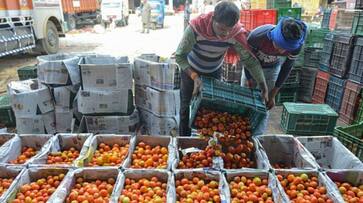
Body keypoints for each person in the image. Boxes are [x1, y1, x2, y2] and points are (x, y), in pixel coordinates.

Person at [175, 1, 269, 137]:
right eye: (221, 28)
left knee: (209, 110)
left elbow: (250, 61)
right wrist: (195, 77)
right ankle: (183, 142)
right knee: (186, 108)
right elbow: (180, 56)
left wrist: (263, 85)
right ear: (213, 18)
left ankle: (206, 144)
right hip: (190, 70)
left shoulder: (235, 33)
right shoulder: (196, 28)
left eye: (229, 29)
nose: (225, 34)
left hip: (214, 71)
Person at [243, 17, 307, 135]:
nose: (281, 51)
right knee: (245, 100)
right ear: (273, 36)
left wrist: (273, 93)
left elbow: (287, 67)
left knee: (264, 104)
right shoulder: (256, 37)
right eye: (279, 45)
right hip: (252, 66)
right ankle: (241, 130)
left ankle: (258, 136)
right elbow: (247, 60)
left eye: (286, 49)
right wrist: (249, 80)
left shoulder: (296, 46)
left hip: (272, 68)